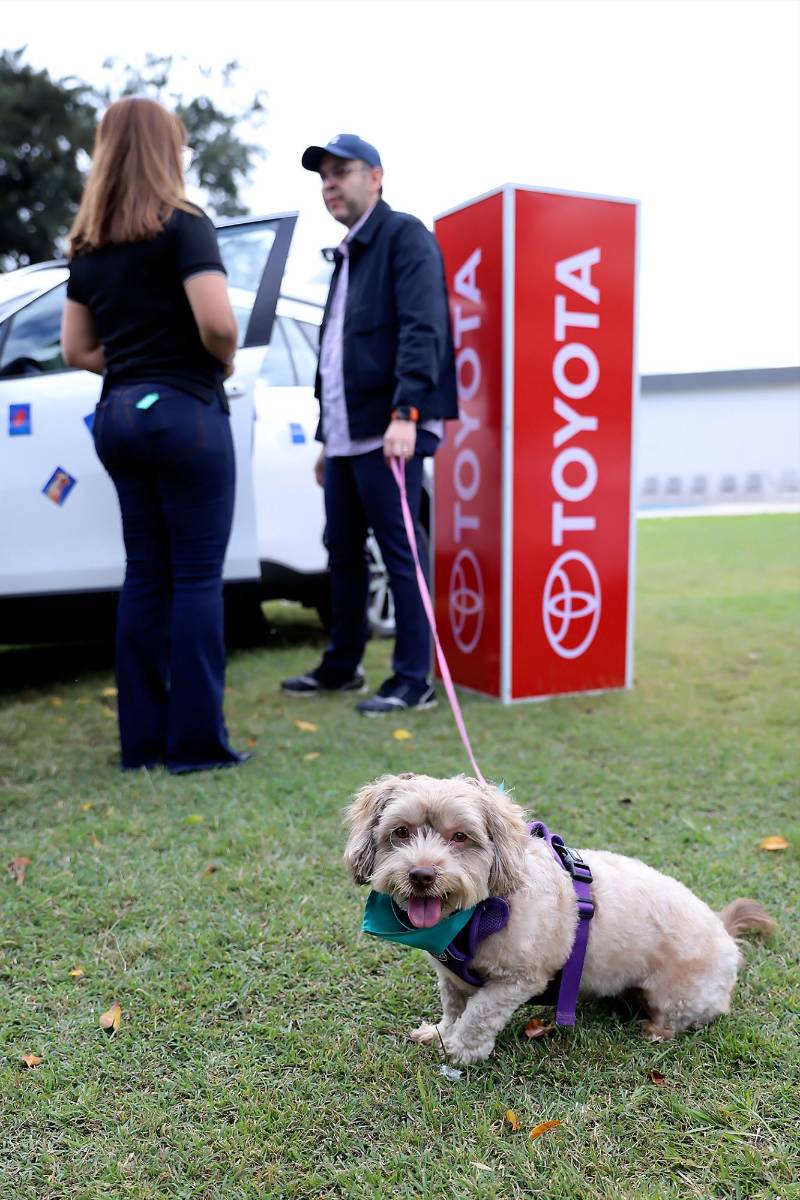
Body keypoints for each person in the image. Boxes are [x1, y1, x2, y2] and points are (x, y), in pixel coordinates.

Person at [61, 96, 249, 773]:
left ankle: (141, 745)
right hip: (185, 412)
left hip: (117, 414)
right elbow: (219, 324)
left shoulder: (87, 245)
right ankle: (196, 746)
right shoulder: (184, 224)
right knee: (197, 577)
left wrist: (134, 361)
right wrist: (218, 361)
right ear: (167, 149)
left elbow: (76, 348)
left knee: (144, 573)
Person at [281, 134, 458, 715]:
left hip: (390, 431)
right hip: (346, 436)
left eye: (342, 171)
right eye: (323, 176)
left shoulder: (405, 236)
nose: (330, 184)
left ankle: (413, 680)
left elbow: (423, 328)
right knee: (342, 551)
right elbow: (336, 354)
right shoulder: (347, 254)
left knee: (400, 550)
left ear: (375, 176)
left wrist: (406, 412)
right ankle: (343, 666)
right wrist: (326, 437)